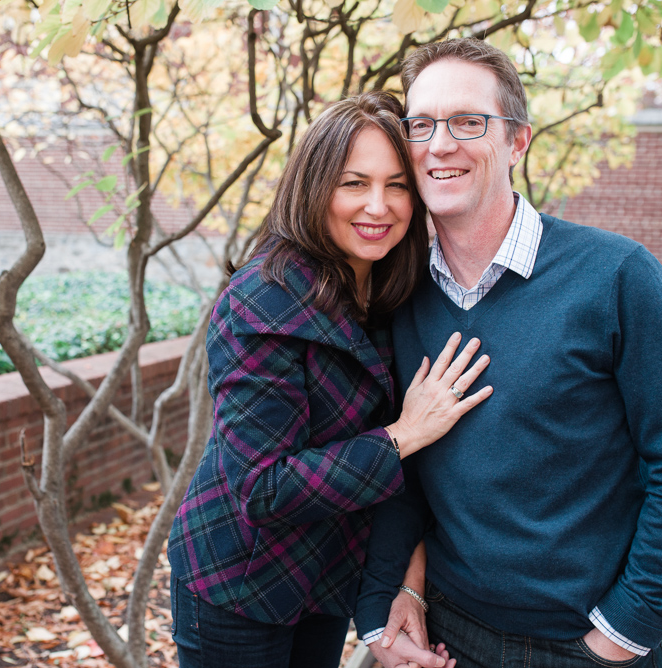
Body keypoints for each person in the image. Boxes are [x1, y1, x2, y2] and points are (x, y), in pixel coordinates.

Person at [353, 38, 662, 668]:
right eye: (420, 125)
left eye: (468, 121)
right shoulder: (402, 293)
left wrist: (623, 631)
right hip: (450, 636)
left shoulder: (617, 276)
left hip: (585, 643)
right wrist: (394, 594)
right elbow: (406, 471)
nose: (439, 144)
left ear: (518, 141)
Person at [167, 90, 491, 668]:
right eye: (353, 183)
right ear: (315, 188)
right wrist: (404, 434)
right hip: (239, 582)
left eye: (397, 185)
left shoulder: (390, 292)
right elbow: (262, 489)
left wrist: (402, 581)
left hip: (326, 575)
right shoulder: (262, 304)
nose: (378, 205)